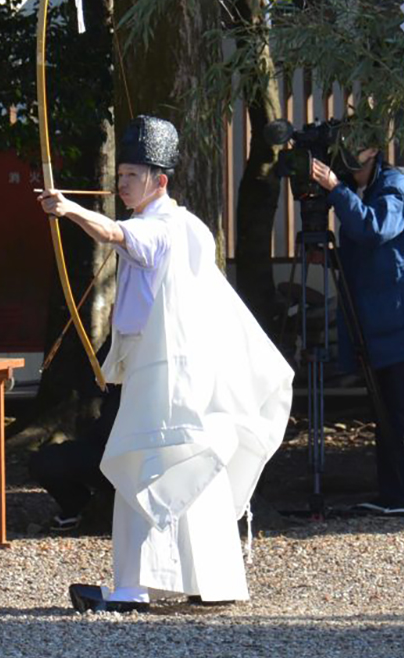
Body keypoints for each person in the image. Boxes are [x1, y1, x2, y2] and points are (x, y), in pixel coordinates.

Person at [39, 115, 295, 613]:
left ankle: (135, 588)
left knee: (145, 466)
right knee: (191, 468)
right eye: (122, 174)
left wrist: (69, 209)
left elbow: (123, 236)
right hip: (171, 366)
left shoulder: (167, 227)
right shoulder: (184, 226)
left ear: (160, 180)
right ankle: (212, 581)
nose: (122, 183)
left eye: (133, 175)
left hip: (167, 370)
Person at [311, 140, 404, 517]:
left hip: (403, 318)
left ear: (373, 150)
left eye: (352, 146)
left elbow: (375, 229)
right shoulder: (360, 188)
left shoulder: (395, 186)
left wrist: (336, 190)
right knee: (384, 411)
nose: (343, 153)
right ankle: (391, 495)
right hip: (379, 319)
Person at [28, 386, 120, 532]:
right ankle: (78, 507)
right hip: (104, 450)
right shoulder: (121, 379)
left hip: (145, 461)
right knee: (46, 461)